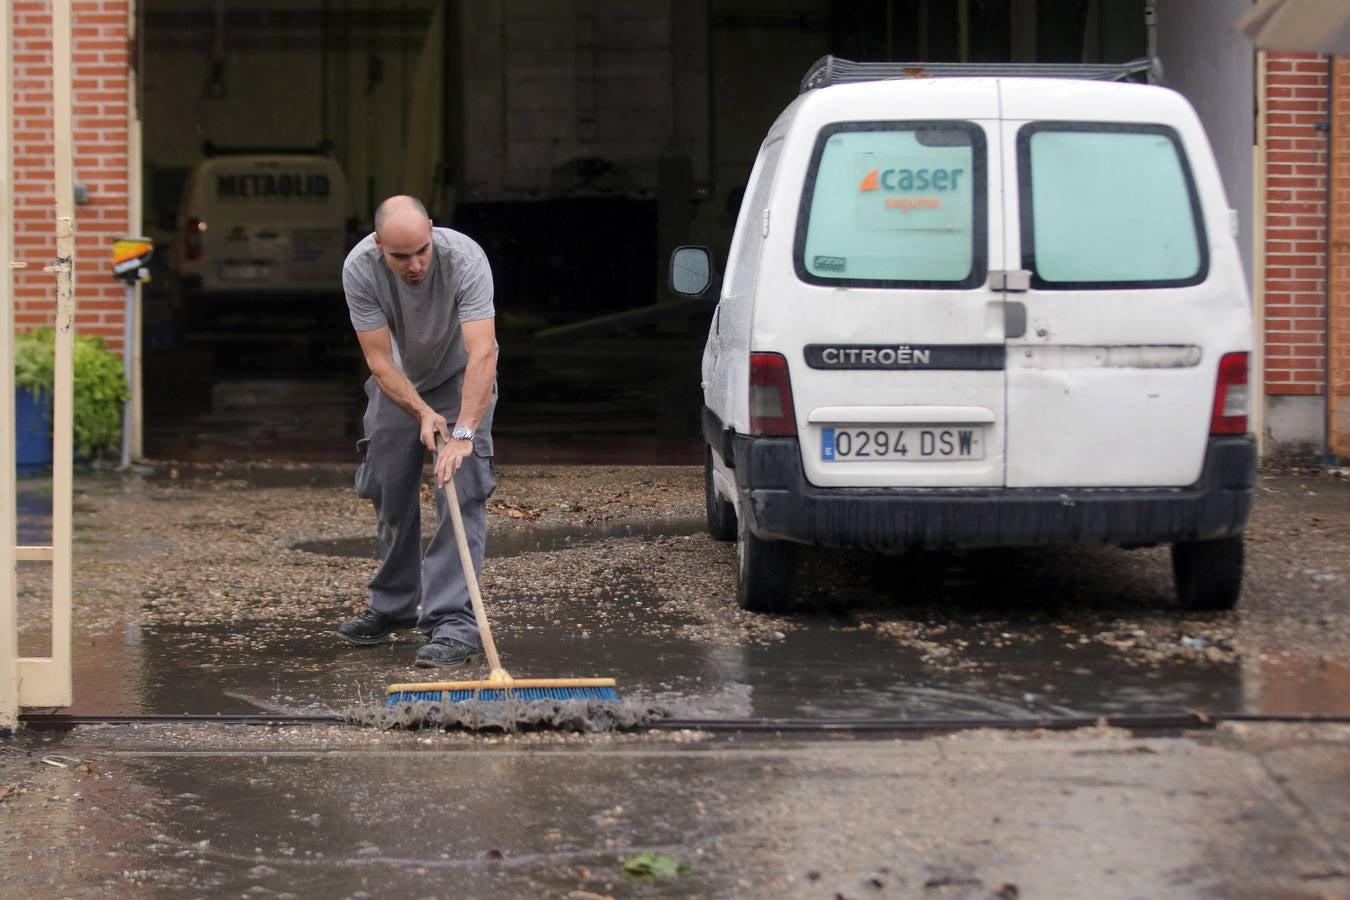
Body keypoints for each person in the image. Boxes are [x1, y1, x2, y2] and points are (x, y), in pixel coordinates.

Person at [336, 195, 499, 667]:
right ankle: (393, 605)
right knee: (388, 485)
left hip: (462, 376)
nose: (415, 265)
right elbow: (379, 361)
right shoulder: (359, 269)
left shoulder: (465, 258)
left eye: (422, 250)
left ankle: (453, 623)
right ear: (378, 244)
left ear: (432, 228)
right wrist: (422, 411)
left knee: (461, 490)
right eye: (400, 256)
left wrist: (463, 434)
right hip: (399, 382)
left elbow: (483, 352)